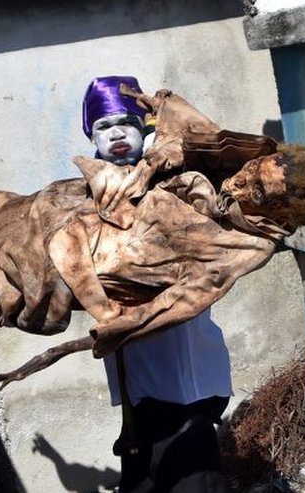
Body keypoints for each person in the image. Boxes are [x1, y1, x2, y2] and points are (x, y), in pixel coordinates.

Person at [82, 76, 233, 493]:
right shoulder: (85, 199)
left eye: (126, 123)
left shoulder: (177, 181)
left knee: (190, 454)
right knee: (146, 450)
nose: (115, 133)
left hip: (182, 342)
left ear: (144, 127)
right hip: (133, 357)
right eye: (103, 126)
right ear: (90, 138)